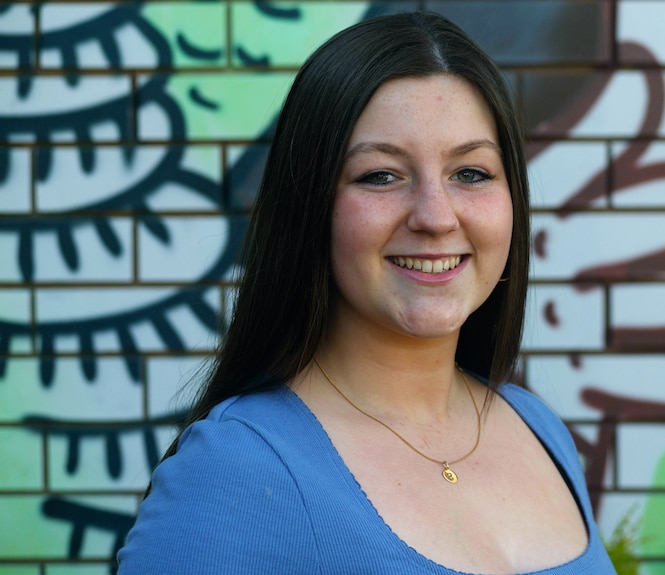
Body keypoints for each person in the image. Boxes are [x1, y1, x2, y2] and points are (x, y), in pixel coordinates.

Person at [117, 11, 616, 575]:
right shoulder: (236, 470)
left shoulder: (537, 427)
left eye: (471, 173)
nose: (435, 216)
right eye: (381, 175)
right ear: (310, 208)